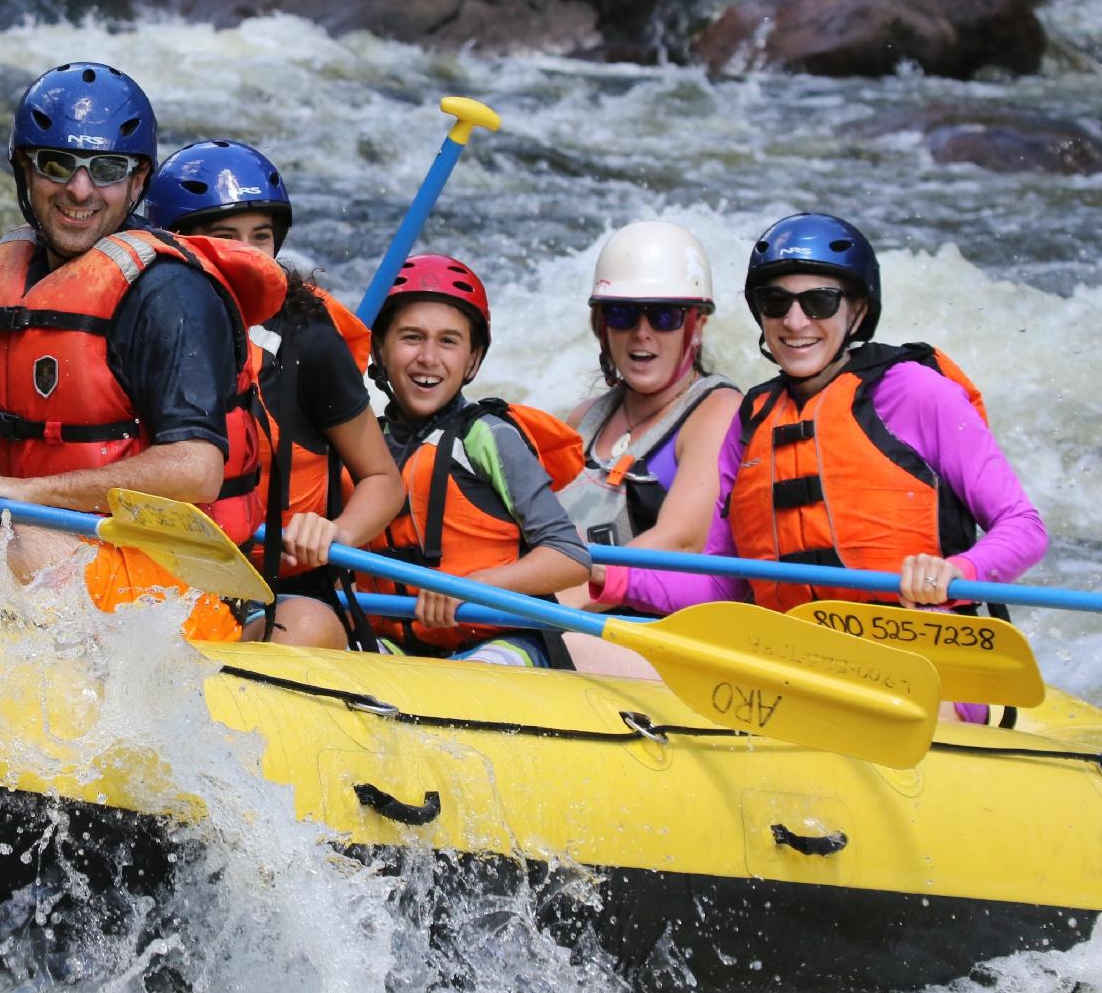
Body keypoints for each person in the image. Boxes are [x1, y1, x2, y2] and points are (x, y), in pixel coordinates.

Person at [0, 62, 285, 641]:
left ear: (137, 182)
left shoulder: (170, 294)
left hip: (185, 582)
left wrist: (29, 495)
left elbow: (197, 469)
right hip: (62, 537)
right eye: (58, 165)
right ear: (25, 170)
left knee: (26, 550)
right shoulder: (25, 276)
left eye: (106, 170)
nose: (80, 190)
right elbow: (22, 432)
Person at [588, 214, 1048, 717]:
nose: (795, 321)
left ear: (857, 310)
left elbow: (1024, 527)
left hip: (918, 663)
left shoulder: (917, 392)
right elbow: (722, 583)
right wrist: (607, 576)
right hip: (792, 663)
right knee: (578, 649)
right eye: (776, 302)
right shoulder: (753, 420)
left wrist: (957, 569)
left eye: (819, 302)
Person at [143, 139, 402, 649]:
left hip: (286, 585)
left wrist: (339, 533)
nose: (247, 254)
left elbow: (383, 480)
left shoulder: (308, 337)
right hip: (168, 573)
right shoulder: (138, 325)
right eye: (225, 237)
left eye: (260, 237)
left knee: (298, 629)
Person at [362, 254, 590, 666]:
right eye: (411, 337)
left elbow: (570, 557)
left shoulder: (488, 438)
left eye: (448, 341)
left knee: (481, 668)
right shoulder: (362, 443)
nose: (429, 358)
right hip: (400, 644)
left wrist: (472, 586)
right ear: (379, 347)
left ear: (472, 359)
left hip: (504, 642)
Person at [558, 221, 740, 556]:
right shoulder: (582, 420)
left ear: (698, 326)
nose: (642, 332)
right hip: (561, 602)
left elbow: (680, 540)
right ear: (601, 326)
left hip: (632, 608)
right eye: (622, 313)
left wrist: (549, 603)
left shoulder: (720, 412)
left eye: (664, 316)